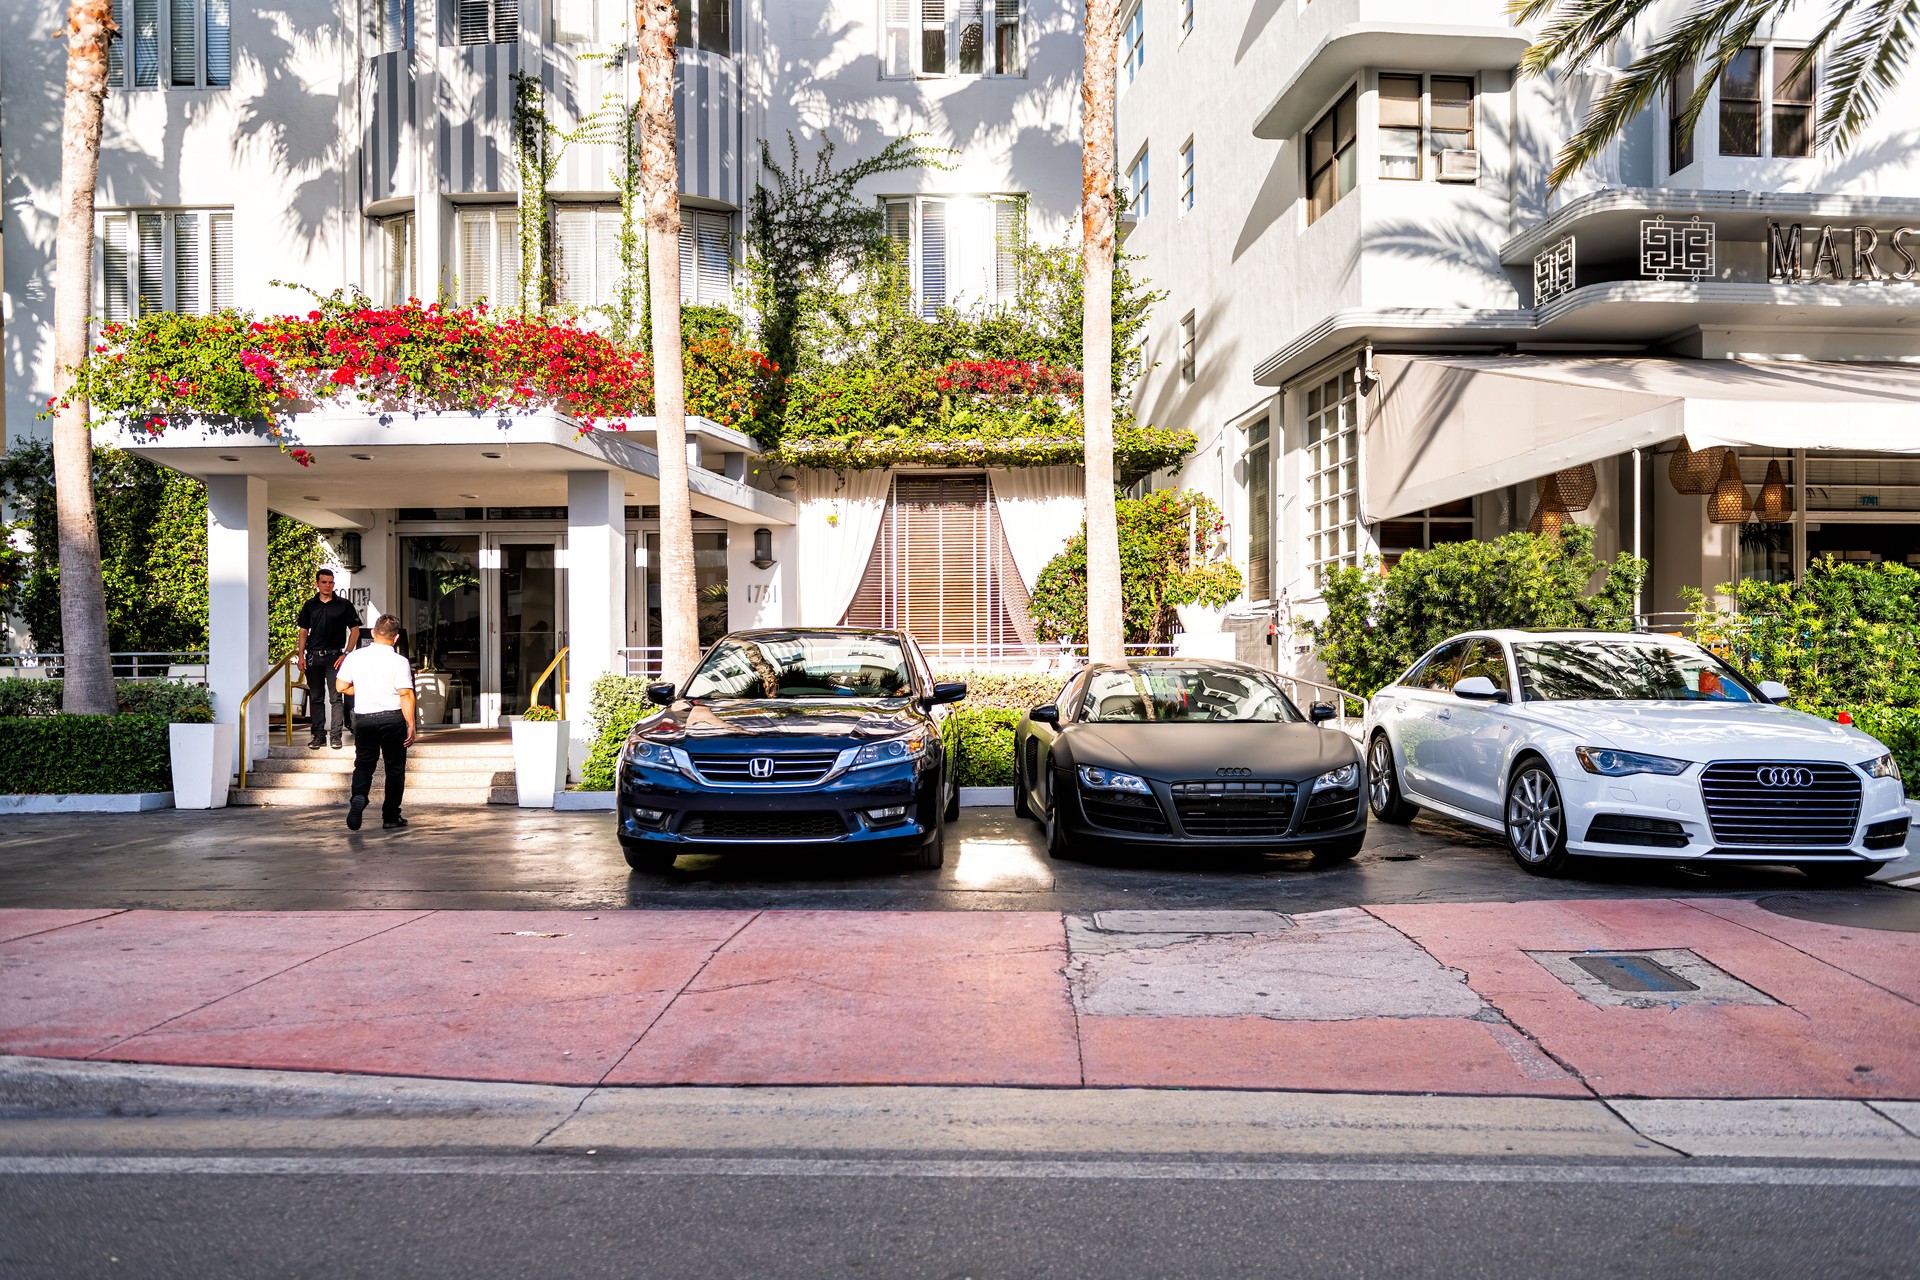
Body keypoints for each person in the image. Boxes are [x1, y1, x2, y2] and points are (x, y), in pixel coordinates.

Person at [334, 614, 416, 831]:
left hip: (364, 719)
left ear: (372, 633)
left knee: (363, 764)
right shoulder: (399, 661)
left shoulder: (355, 657)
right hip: (392, 719)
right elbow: (406, 694)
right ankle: (390, 816)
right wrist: (411, 724)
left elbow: (341, 686)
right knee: (395, 769)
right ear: (396, 637)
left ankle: (359, 796)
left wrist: (363, 690)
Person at [294, 570, 363, 750]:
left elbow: (355, 630)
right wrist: (300, 656)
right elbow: (303, 632)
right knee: (316, 698)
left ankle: (336, 736)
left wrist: (346, 653)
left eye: (331, 582)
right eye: (324, 582)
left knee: (336, 698)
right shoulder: (309, 605)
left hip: (335, 657)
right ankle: (318, 736)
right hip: (313, 657)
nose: (328, 585)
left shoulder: (344, 605)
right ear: (317, 584)